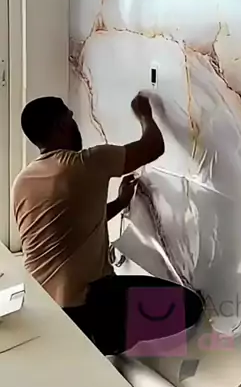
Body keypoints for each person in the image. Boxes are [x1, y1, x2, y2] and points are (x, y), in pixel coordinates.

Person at [12, 92, 203, 354]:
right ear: (61, 126)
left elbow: (69, 224)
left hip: (43, 304)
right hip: (84, 306)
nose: (75, 123)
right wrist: (145, 115)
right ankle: (100, 341)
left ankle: (96, 338)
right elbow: (153, 146)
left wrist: (121, 202)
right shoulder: (83, 163)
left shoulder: (23, 181)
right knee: (188, 306)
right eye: (70, 117)